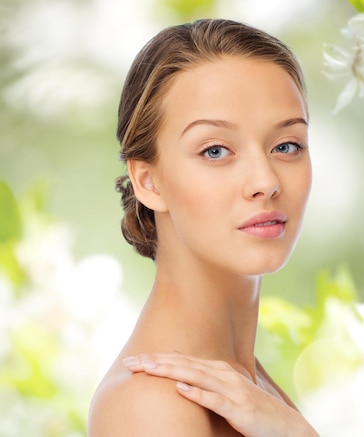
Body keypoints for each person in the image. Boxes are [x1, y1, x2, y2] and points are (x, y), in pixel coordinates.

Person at [88, 18, 318, 436]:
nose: (265, 182)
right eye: (215, 150)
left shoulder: (250, 389)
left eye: (286, 146)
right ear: (148, 181)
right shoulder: (150, 405)